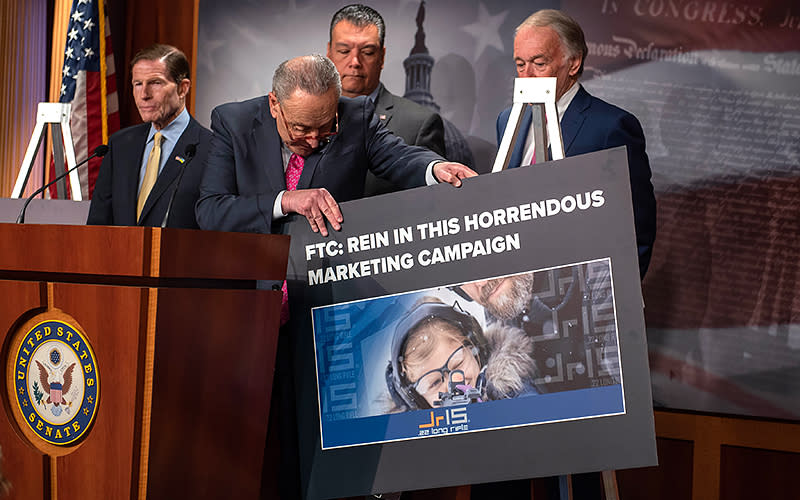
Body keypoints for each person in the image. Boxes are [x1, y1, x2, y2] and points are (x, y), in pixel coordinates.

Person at [195, 54, 474, 236]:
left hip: (326, 292)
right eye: (301, 128)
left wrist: (436, 167)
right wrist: (286, 200)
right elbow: (211, 211)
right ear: (274, 104)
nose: (315, 139)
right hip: (251, 293)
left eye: (327, 126)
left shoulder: (356, 116)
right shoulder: (233, 122)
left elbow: (399, 156)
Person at [496, 9, 657, 279]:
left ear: (573, 63)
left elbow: (636, 227)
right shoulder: (507, 120)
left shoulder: (612, 127)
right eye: (520, 64)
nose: (527, 76)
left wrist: (615, 297)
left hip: (580, 291)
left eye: (539, 62)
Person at [327, 4, 447, 196]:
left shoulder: (419, 124)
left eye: (367, 52)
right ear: (329, 53)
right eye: (344, 51)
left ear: (382, 57)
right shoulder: (303, 120)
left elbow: (430, 203)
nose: (355, 62)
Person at [88, 44, 211, 228]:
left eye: (155, 83)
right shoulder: (120, 145)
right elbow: (98, 225)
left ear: (182, 88)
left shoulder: (210, 150)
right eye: (138, 84)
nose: (144, 95)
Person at [385, 298, 537, 412]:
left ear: (476, 350)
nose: (454, 383)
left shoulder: (512, 394)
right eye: (434, 383)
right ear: (417, 399)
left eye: (457, 363)